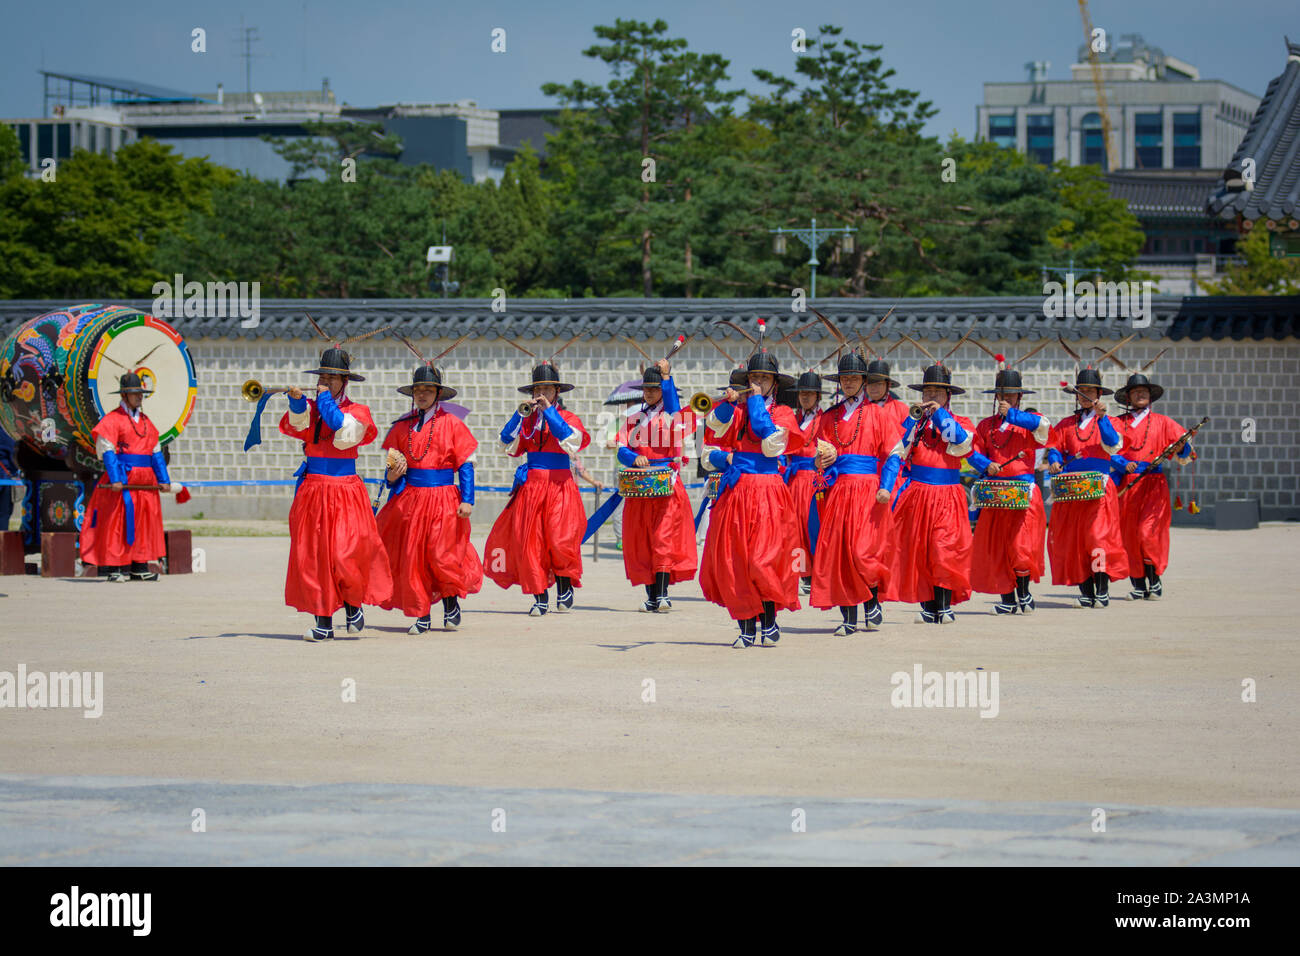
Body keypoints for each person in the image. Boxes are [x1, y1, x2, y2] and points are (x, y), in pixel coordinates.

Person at [280, 347, 393, 641]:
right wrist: (295, 404)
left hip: (345, 490)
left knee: (346, 553)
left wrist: (323, 399)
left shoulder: (358, 412)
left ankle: (353, 604)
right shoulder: (313, 407)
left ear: (345, 381)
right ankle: (323, 622)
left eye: (333, 378)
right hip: (313, 489)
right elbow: (298, 426)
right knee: (315, 557)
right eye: (324, 377)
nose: (326, 382)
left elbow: (339, 428)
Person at [699, 350, 800, 648]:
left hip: (769, 491)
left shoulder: (783, 413)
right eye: (753, 377)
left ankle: (768, 621)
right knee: (737, 561)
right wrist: (730, 404)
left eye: (763, 378)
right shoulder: (737, 410)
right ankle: (746, 626)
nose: (757, 382)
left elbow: (770, 445)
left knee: (764, 559)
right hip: (737, 491)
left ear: (774, 384)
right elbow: (711, 432)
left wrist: (754, 400)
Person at [376, 364, 482, 633]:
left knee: (441, 554)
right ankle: (420, 612)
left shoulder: (453, 424)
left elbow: (466, 465)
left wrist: (467, 499)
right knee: (414, 557)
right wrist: (391, 477)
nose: (421, 394)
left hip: (444, 498)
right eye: (417, 390)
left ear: (438, 393)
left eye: (427, 389)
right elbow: (392, 469)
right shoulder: (402, 427)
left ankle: (450, 602)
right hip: (410, 500)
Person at [484, 362, 591, 616]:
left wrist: (549, 412)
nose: (541, 393)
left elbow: (571, 442)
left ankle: (564, 586)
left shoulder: (568, 417)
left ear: (556, 391)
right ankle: (539, 596)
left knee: (560, 538)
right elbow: (505, 443)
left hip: (560, 485)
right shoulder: (527, 420)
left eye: (546, 389)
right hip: (532, 487)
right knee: (530, 543)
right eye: (537, 389)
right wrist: (519, 415)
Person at [810, 352, 904, 635]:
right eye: (845, 378)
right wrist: (820, 463)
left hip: (869, 491)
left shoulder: (879, 414)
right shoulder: (830, 417)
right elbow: (821, 456)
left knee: (864, 551)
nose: (849, 382)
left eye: (854, 378)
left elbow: (893, 455)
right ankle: (848, 616)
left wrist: (887, 485)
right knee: (840, 553)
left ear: (864, 381)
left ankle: (872, 597)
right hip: (839, 489)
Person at [887, 363, 975, 624]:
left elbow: (958, 441)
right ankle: (929, 606)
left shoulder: (960, 422)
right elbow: (898, 450)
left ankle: (945, 605)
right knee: (921, 551)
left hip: (947, 493)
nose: (932, 396)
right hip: (918, 493)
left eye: (938, 391)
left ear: (948, 395)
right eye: (928, 391)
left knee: (944, 549)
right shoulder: (915, 422)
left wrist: (938, 415)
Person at [968, 367, 1050, 614]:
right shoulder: (985, 426)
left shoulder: (1031, 423)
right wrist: (986, 465)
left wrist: (1012, 414)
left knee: (1020, 546)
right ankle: (1007, 600)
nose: (1007, 399)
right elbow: (972, 453)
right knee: (999, 547)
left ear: (1020, 397)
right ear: (995, 396)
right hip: (995, 493)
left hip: (1023, 491)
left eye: (1012, 395)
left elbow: (1044, 427)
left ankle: (1024, 594)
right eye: (1003, 395)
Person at [1045, 367, 1129, 608]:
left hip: (1098, 489)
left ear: (1099, 395)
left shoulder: (1110, 422)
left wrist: (1102, 418)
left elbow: (1113, 446)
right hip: (1071, 491)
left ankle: (1102, 587)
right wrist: (1054, 461)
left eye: (1090, 392)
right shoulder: (1065, 424)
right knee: (1077, 540)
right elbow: (1055, 448)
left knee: (1097, 538)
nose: (1085, 396)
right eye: (1081, 392)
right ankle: (1086, 589)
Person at [616, 360, 696, 611]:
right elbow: (621, 448)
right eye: (646, 389)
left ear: (663, 389)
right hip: (640, 486)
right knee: (643, 540)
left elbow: (674, 412)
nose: (649, 393)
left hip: (665, 484)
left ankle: (662, 594)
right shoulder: (633, 418)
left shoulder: (674, 416)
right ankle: (651, 595)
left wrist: (666, 376)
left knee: (663, 538)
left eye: (655, 388)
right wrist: (633, 457)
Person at [79, 372, 173, 581]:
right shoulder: (112, 420)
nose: (139, 396)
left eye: (141, 392)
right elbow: (107, 450)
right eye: (134, 393)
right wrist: (115, 479)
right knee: (117, 522)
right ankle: (115, 568)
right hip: (123, 480)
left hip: (145, 482)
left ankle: (139, 566)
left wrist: (163, 480)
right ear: (124, 395)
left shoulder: (147, 422)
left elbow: (156, 452)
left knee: (143, 522)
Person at [1112, 372, 1194, 600]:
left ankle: (1155, 580)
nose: (1141, 394)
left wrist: (1180, 447)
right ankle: (1138, 584)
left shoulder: (1164, 422)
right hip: (1127, 484)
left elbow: (1185, 447)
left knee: (1148, 532)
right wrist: (1122, 463)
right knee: (1129, 535)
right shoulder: (1117, 423)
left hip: (1153, 484)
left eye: (1144, 391)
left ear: (1151, 396)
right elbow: (1107, 449)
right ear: (1128, 397)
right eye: (1136, 391)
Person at [784, 370, 825, 595]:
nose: (805, 398)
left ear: (818, 396)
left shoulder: (825, 420)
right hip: (793, 480)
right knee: (794, 529)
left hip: (814, 480)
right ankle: (800, 573)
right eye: (802, 394)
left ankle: (817, 573)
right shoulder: (791, 419)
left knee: (814, 527)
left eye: (810, 394)